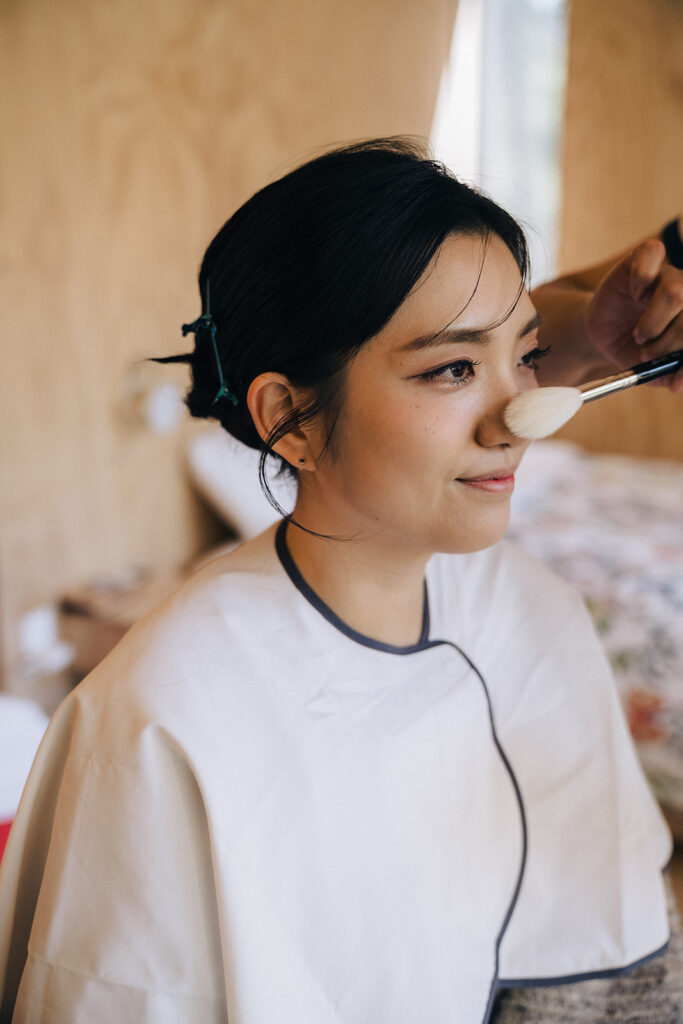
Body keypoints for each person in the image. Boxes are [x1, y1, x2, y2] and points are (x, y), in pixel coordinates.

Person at [0, 138, 682, 1024]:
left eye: (524, 354)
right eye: (450, 369)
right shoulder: (160, 721)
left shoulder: (535, 611)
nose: (517, 413)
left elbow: (614, 984)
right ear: (289, 419)